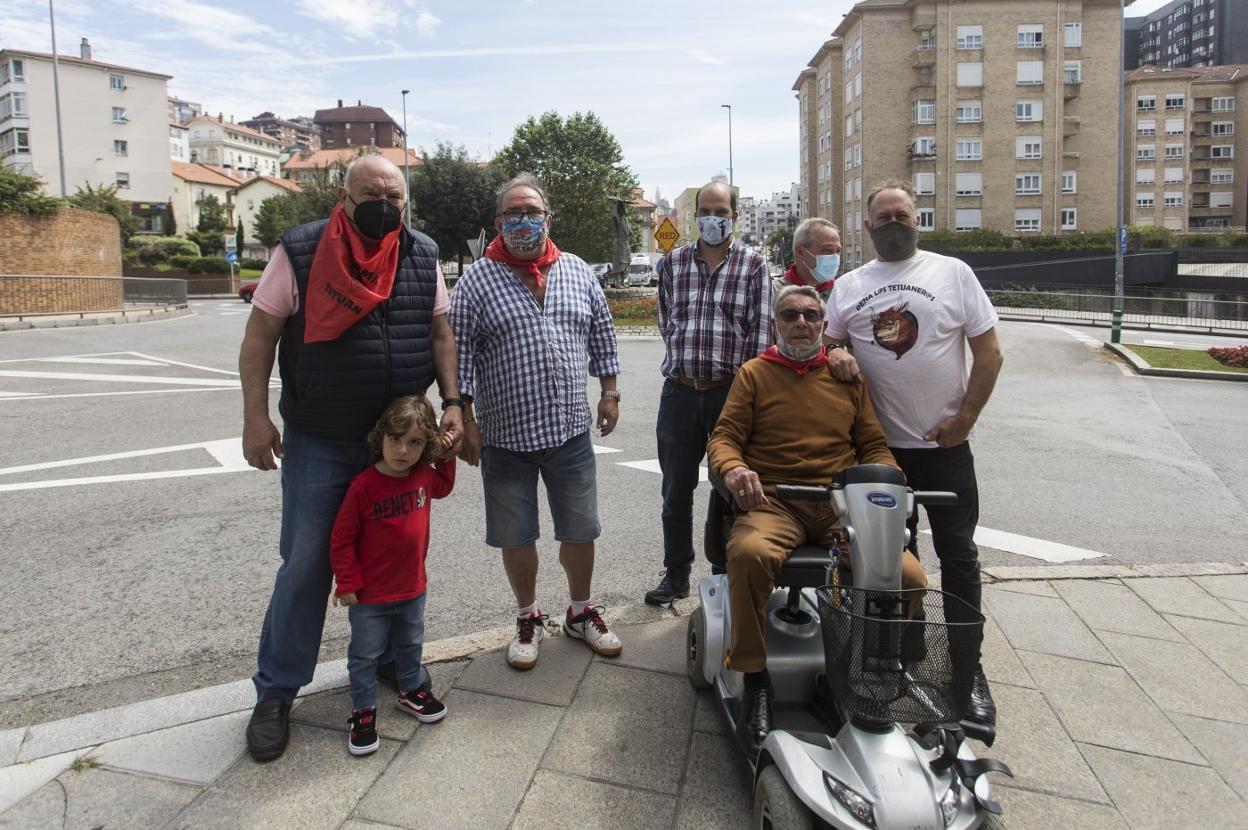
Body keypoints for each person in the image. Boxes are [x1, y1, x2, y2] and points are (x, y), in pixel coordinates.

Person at [239, 154, 464, 762]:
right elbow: (259, 337)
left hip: (399, 443)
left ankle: (392, 662)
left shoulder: (420, 251)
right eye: (372, 194)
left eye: (395, 198)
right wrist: (256, 418)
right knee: (307, 563)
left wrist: (453, 402)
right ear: (344, 196)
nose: (384, 207)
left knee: (393, 551)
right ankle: (278, 690)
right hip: (323, 437)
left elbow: (440, 331)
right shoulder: (301, 250)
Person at [707, 284, 923, 755]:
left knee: (907, 575)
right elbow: (723, 438)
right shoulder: (755, 374)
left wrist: (892, 482)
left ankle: (854, 670)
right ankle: (753, 673)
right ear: (775, 323)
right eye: (790, 315)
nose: (801, 323)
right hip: (775, 500)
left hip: (839, 504)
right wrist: (735, 468)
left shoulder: (848, 376)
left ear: (825, 325)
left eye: (810, 315)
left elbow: (873, 445)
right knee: (749, 554)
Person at [823, 180, 1004, 727]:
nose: (894, 223)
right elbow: (829, 342)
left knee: (959, 558)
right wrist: (836, 356)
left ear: (917, 220)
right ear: (867, 226)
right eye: (884, 216)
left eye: (903, 214)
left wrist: (965, 419)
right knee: (887, 563)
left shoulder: (952, 274)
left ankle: (968, 673)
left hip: (943, 446)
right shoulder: (850, 285)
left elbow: (989, 353)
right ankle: (898, 651)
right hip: (878, 453)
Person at [450, 173, 623, 671]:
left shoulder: (575, 270)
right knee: (515, 533)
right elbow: (459, 352)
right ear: (498, 222)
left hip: (569, 431)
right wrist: (465, 415)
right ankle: (527, 615)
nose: (523, 222)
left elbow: (603, 334)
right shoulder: (478, 280)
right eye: (513, 214)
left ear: (548, 218)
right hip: (505, 437)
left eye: (533, 213)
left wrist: (609, 392)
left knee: (580, 529)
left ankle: (580, 611)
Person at [646, 181, 771, 605]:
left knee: (731, 490)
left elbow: (761, 337)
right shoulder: (673, 264)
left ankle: (724, 572)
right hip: (679, 394)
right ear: (694, 215)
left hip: (730, 396)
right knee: (675, 493)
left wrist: (748, 399)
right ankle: (676, 573)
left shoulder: (754, 266)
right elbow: (668, 324)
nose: (712, 218)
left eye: (721, 211)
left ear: (734, 216)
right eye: (705, 210)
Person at [330, 396, 455, 756]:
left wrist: (446, 455)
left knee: (410, 644)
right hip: (370, 596)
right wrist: (348, 582)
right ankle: (363, 711)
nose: (402, 450)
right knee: (366, 655)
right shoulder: (364, 486)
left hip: (413, 588)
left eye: (415, 442)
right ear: (380, 438)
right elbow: (342, 538)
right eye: (396, 440)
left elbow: (444, 487)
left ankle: (410, 691)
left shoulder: (423, 477)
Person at [772, 217, 842, 301]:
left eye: (838, 251)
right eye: (827, 250)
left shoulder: (843, 292)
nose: (834, 257)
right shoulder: (773, 293)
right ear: (800, 252)